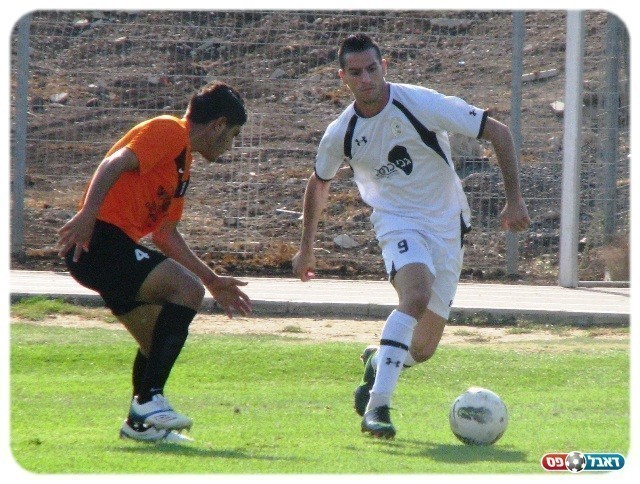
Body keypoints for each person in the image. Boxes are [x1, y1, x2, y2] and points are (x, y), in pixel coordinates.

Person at [292, 34, 531, 439]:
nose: (366, 79)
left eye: (372, 69)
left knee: (421, 349)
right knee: (415, 295)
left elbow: (499, 132)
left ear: (384, 67)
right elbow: (319, 183)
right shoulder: (341, 132)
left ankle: (378, 361)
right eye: (356, 72)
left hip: (447, 224)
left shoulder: (421, 103)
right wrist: (306, 248)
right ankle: (378, 408)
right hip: (396, 222)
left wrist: (514, 200)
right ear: (342, 77)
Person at [57, 81, 252, 443]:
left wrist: (212, 280)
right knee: (186, 290)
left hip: (110, 250)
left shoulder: (183, 165)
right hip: (99, 242)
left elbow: (165, 234)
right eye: (234, 135)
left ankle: (140, 426)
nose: (231, 144)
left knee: (156, 339)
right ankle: (149, 401)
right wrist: (88, 213)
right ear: (218, 125)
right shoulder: (170, 131)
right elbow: (114, 162)